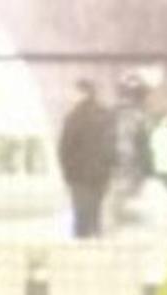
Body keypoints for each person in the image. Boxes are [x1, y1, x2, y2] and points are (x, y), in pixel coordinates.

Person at [57, 79, 114, 238]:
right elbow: (112, 144)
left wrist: (67, 172)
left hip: (79, 174)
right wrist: (108, 167)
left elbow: (65, 148)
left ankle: (82, 249)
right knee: (96, 213)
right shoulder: (105, 115)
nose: (71, 96)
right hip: (101, 173)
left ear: (82, 93)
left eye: (73, 93)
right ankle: (97, 241)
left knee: (81, 215)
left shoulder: (73, 117)